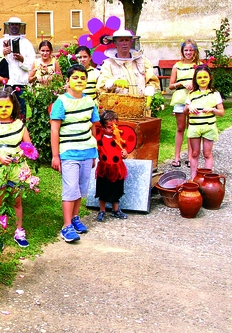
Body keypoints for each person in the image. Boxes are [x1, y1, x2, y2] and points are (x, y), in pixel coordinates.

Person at [50, 64, 100, 243]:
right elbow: (55, 130)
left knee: (81, 188)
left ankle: (75, 217)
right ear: (68, 81)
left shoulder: (90, 102)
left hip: (87, 151)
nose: (79, 81)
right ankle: (66, 226)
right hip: (69, 152)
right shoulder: (61, 102)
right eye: (75, 78)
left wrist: (94, 152)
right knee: (70, 189)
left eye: (83, 78)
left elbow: (93, 126)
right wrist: (56, 156)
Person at [0, 88, 32, 247]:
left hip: (16, 170)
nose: (4, 110)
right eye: (0, 106)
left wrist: (22, 157)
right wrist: (0, 157)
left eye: (7, 106)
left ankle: (19, 231)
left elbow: (28, 147)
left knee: (16, 201)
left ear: (14, 106)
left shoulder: (19, 126)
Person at [185, 65, 224, 180]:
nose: (202, 79)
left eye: (205, 77)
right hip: (195, 127)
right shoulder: (191, 94)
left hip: (209, 127)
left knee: (207, 153)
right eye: (199, 77)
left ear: (210, 78)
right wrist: (189, 107)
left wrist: (213, 109)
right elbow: (185, 110)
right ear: (195, 79)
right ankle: (193, 178)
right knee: (195, 153)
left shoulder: (215, 94)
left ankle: (207, 178)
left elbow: (221, 112)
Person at [97, 29, 160, 99]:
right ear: (115, 43)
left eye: (127, 40)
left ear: (131, 42)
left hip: (141, 104)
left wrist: (149, 90)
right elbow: (102, 86)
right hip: (118, 106)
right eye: (121, 40)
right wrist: (113, 83)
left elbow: (152, 80)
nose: (124, 43)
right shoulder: (108, 64)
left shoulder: (142, 61)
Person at [169, 39, 200, 168]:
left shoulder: (199, 65)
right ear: (182, 51)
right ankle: (177, 157)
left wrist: (195, 84)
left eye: (191, 50)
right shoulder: (177, 66)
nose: (188, 53)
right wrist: (181, 83)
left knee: (191, 128)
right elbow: (170, 85)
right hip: (180, 98)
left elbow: (205, 81)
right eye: (186, 50)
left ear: (195, 51)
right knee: (180, 128)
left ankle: (189, 156)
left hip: (194, 99)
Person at [94, 110, 129, 222]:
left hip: (117, 168)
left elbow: (125, 151)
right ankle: (102, 210)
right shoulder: (100, 139)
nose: (113, 129)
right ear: (103, 128)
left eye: (115, 126)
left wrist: (125, 154)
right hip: (104, 168)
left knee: (116, 190)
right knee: (102, 190)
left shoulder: (119, 137)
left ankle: (116, 210)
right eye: (109, 127)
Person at [0, 17, 36, 120]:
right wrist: (3, 53)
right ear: (9, 26)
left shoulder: (27, 43)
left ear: (20, 26)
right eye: (12, 24)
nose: (14, 26)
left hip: (21, 82)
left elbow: (33, 64)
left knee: (21, 111)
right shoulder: (1, 42)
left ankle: (21, 132)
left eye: (16, 24)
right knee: (5, 110)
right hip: (6, 83)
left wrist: (22, 59)